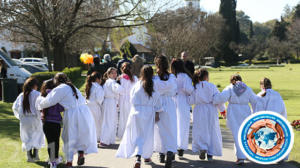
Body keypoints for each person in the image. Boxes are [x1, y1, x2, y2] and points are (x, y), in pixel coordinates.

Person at [37, 73, 97, 168]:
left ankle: (69, 161)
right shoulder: (72, 87)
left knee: (69, 136)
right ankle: (81, 152)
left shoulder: (60, 88)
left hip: (72, 113)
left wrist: (40, 103)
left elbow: (49, 101)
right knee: (80, 134)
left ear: (56, 81)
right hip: (84, 112)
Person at [116, 65, 163, 168]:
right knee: (147, 136)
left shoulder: (137, 84)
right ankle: (144, 156)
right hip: (149, 112)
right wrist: (158, 112)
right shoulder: (153, 84)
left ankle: (138, 156)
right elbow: (158, 100)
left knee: (137, 135)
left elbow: (131, 99)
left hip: (136, 112)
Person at [213, 74, 257, 165]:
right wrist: (254, 113)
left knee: (237, 134)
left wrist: (214, 98)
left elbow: (221, 98)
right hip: (245, 110)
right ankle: (245, 153)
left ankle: (241, 157)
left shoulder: (230, 88)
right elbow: (255, 101)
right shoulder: (248, 89)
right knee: (245, 133)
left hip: (234, 111)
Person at [189, 69, 226, 161]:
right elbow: (218, 98)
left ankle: (202, 147)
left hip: (198, 110)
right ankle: (210, 153)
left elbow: (191, 100)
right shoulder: (212, 86)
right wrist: (222, 110)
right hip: (211, 109)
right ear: (206, 77)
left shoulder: (195, 87)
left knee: (200, 130)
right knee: (212, 130)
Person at [153, 55, 177, 168]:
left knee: (159, 129)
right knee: (171, 128)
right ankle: (170, 151)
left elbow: (154, 91)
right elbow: (174, 90)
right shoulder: (172, 77)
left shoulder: (154, 78)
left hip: (158, 103)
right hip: (170, 103)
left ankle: (161, 153)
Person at [12, 77, 44, 163]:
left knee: (27, 137)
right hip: (35, 119)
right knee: (37, 136)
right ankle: (36, 155)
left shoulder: (21, 95)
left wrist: (19, 116)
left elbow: (14, 107)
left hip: (25, 120)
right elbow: (41, 106)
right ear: (34, 85)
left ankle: (29, 156)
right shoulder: (38, 94)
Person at [37, 79, 64, 168]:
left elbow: (39, 107)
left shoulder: (42, 96)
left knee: (50, 142)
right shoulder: (56, 96)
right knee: (56, 142)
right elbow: (61, 108)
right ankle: (55, 159)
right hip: (56, 122)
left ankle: (52, 162)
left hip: (46, 122)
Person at [170, 59, 193, 158]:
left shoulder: (171, 76)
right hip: (182, 101)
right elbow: (189, 89)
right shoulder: (185, 76)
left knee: (172, 124)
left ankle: (172, 146)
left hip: (171, 100)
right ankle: (181, 147)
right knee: (183, 124)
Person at [100, 67, 124, 147]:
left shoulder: (108, 81)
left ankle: (109, 139)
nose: (115, 74)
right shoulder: (112, 82)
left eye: (115, 73)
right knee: (109, 121)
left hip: (109, 102)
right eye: (113, 73)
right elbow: (119, 90)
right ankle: (104, 140)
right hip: (110, 102)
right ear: (109, 74)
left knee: (110, 121)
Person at [117, 62, 138, 138]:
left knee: (123, 118)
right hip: (132, 100)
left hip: (123, 100)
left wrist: (117, 102)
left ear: (122, 69)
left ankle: (123, 135)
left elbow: (118, 91)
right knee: (131, 117)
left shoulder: (120, 78)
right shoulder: (135, 78)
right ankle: (132, 134)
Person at [85, 72, 104, 147]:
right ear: (97, 79)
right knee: (97, 124)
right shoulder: (98, 87)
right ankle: (96, 139)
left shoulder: (89, 85)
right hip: (95, 107)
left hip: (87, 107)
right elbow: (100, 99)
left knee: (89, 124)